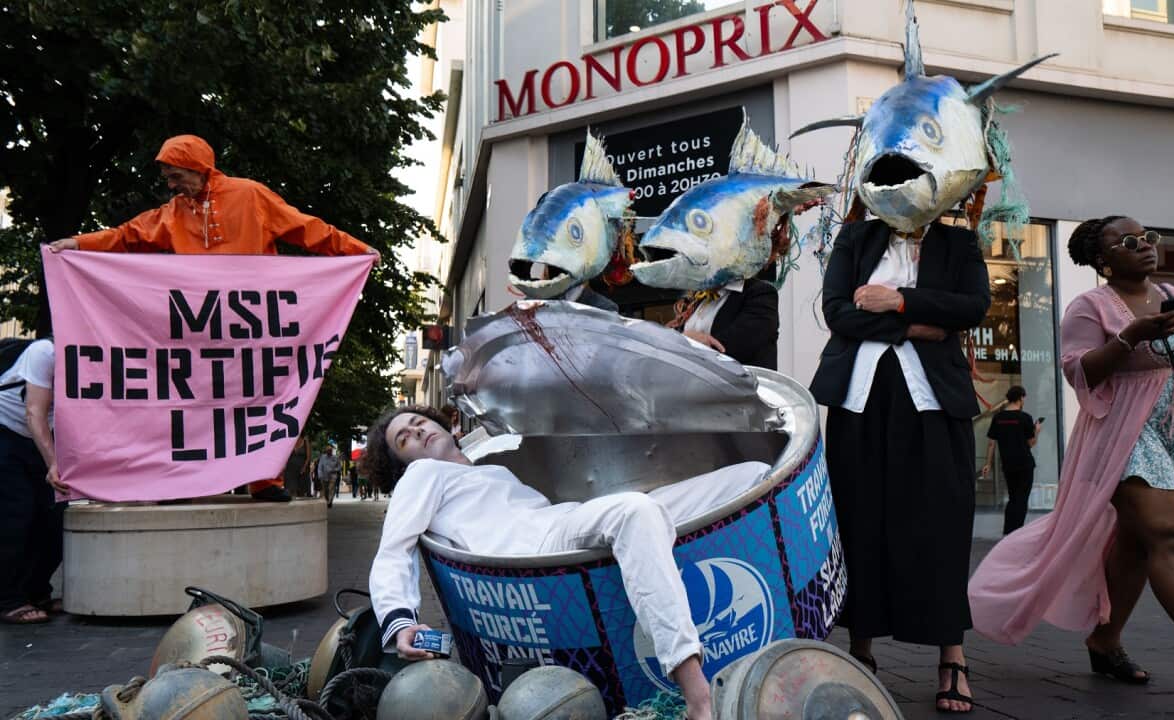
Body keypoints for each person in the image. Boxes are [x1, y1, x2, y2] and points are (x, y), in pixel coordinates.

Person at [968, 217, 1174, 717]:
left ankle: (1105, 639)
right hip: (1121, 432)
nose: (1145, 247)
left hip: (1167, 426)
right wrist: (1131, 335)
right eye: (1129, 242)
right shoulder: (1088, 306)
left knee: (1137, 541)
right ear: (1104, 260)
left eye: (1150, 237)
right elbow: (1079, 371)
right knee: (1173, 534)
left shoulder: (1169, 290)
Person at [361, 405, 768, 720]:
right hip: (538, 551)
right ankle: (697, 695)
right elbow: (393, 551)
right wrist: (401, 619)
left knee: (752, 475)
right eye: (404, 439)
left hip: (565, 519)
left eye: (418, 421)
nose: (416, 430)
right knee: (634, 512)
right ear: (402, 463)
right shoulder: (422, 476)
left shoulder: (489, 468)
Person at [49, 134, 380, 502]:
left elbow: (306, 228)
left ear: (199, 167)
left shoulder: (251, 195)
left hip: (252, 324)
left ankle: (264, 481)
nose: (172, 185)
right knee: (190, 401)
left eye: (176, 175)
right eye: (169, 178)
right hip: (198, 330)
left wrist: (356, 250)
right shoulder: (174, 212)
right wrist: (79, 244)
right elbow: (128, 236)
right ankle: (183, 482)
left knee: (259, 394)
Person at [808, 219, 990, 713]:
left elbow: (973, 306)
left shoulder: (959, 242)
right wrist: (913, 326)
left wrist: (899, 299)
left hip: (934, 399)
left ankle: (952, 656)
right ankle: (859, 650)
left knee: (941, 521)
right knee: (856, 519)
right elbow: (837, 312)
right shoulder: (856, 238)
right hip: (858, 396)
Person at [0, 338, 66, 624]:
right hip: (7, 430)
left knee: (54, 518)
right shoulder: (45, 352)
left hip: (44, 438)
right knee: (16, 514)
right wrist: (52, 462)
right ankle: (8, 598)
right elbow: (34, 413)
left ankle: (37, 590)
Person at [671, 280, 780, 370]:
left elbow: (733, 346)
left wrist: (688, 342)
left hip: (738, 391)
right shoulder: (698, 296)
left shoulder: (760, 293)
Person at [980, 386, 1043, 534]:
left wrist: (988, 463)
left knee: (1013, 498)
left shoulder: (998, 417)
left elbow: (991, 443)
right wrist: (1037, 431)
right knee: (1021, 500)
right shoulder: (1025, 417)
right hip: (1025, 465)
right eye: (1024, 398)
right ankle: (1016, 534)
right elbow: (1030, 443)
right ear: (1021, 398)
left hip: (1008, 465)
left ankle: (1008, 532)